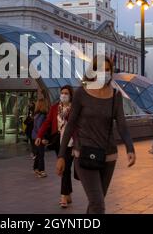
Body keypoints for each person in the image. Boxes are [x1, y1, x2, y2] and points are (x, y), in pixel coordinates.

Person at [56, 56, 136, 214]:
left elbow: (122, 125)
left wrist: (130, 148)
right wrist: (61, 156)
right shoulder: (81, 93)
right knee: (98, 203)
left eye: (107, 70)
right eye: (100, 69)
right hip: (84, 154)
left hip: (108, 157)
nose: (104, 73)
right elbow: (70, 124)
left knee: (95, 204)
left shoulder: (115, 95)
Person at [35, 85, 74, 208]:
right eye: (62, 93)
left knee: (65, 167)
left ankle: (63, 196)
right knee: (65, 168)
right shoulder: (54, 108)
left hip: (71, 142)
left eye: (66, 93)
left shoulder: (75, 108)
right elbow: (47, 123)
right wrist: (39, 136)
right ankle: (68, 193)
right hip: (58, 142)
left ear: (71, 95)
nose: (63, 95)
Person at [31, 98, 49, 178]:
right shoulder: (42, 115)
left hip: (35, 136)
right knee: (41, 154)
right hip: (39, 137)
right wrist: (43, 137)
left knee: (38, 154)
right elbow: (40, 127)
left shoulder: (36, 114)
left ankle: (35, 168)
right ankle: (41, 170)